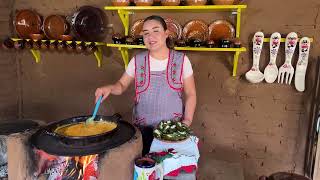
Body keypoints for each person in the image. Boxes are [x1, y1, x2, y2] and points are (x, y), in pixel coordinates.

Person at [95, 15, 197, 155]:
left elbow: (191, 93)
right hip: (142, 131)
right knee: (145, 171)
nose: (150, 36)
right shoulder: (137, 61)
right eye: (146, 33)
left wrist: (187, 121)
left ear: (166, 34)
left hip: (172, 132)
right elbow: (121, 85)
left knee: (169, 172)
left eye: (156, 31)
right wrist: (110, 88)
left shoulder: (182, 60)